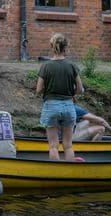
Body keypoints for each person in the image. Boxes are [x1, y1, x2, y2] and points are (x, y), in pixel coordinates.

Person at [36, 33, 84, 162]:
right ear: (66, 47)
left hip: (51, 106)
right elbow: (80, 89)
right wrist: (72, 94)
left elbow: (38, 90)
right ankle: (69, 173)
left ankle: (56, 172)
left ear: (52, 47)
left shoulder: (46, 66)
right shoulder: (72, 66)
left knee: (53, 146)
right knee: (68, 145)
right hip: (69, 106)